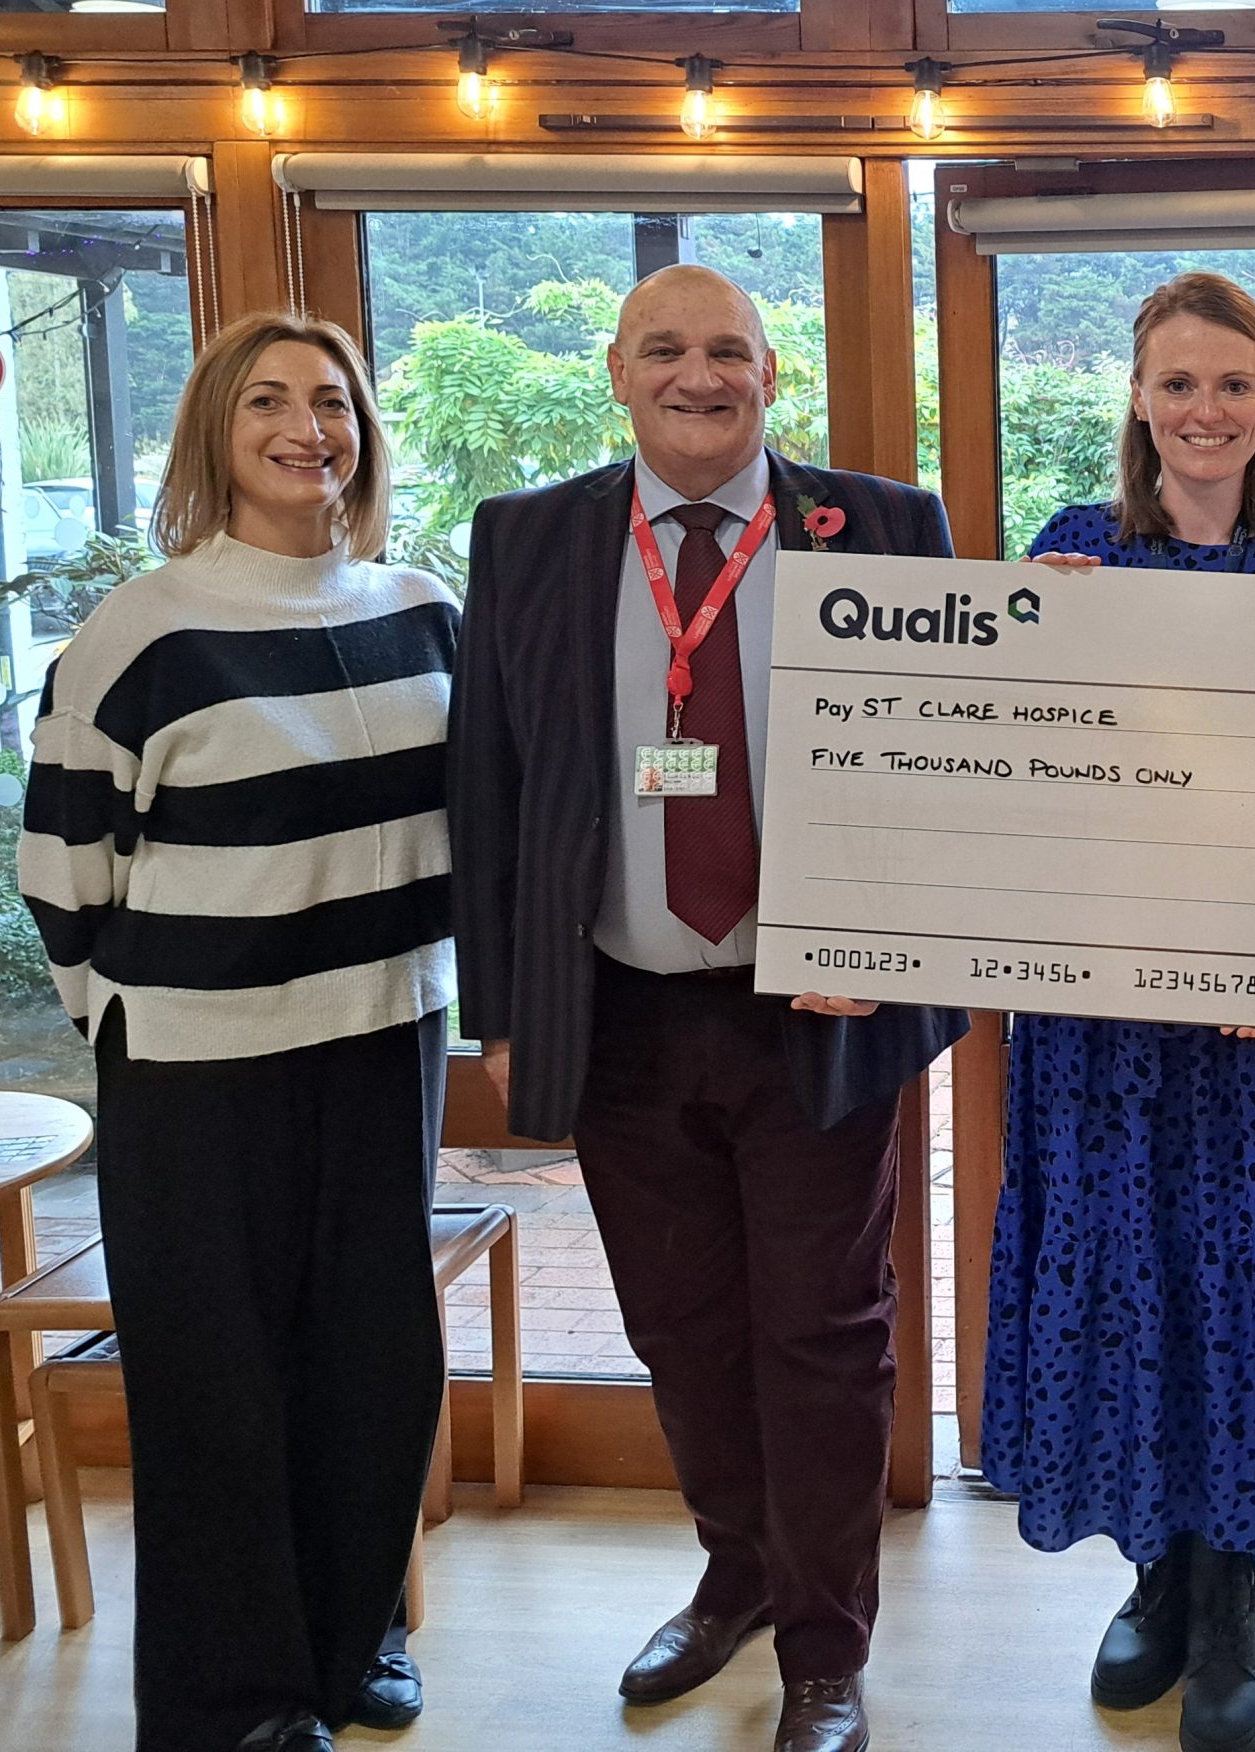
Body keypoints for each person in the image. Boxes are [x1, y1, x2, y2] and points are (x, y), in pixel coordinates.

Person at [445, 265, 967, 1752]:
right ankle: (735, 1573)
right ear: (617, 372)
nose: (699, 374)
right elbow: (487, 781)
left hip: (815, 1013)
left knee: (824, 1335)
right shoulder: (530, 537)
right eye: (665, 348)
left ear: (771, 375)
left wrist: (901, 947)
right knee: (678, 1327)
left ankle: (824, 1649)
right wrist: (505, 1011)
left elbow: (952, 758)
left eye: (728, 349)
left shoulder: (884, 527)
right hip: (616, 1011)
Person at [980, 270, 1255, 1752]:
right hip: (1105, 1034)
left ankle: (1231, 1599)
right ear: (1138, 399)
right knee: (1130, 1284)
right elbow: (1019, 775)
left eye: (1233, 382)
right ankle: (1155, 1576)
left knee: (1253, 1291)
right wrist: (1031, 644)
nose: (1206, 410)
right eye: (1178, 382)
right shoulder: (1071, 555)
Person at [16, 311, 453, 1752]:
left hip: (386, 1034)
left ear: (363, 434)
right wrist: (127, 1017)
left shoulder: (423, 610)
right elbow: (64, 869)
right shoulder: (145, 630)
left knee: (375, 1359)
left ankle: (352, 1641)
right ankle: (232, 1704)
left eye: (331, 402)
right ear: (214, 430)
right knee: (217, 1380)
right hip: (198, 1063)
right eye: (266, 401)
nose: (303, 429)